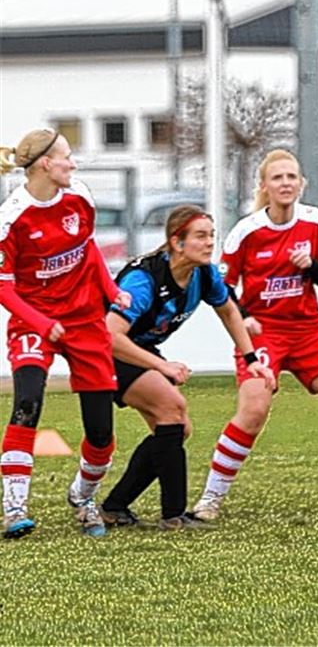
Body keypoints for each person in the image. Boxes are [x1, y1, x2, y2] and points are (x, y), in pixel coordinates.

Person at [190, 149, 318, 520]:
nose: (285, 183)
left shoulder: (315, 222)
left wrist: (310, 265)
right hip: (263, 333)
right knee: (253, 410)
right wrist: (245, 319)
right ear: (264, 186)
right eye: (277, 178)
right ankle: (211, 498)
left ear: (302, 184)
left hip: (309, 331)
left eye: (291, 177)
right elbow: (222, 288)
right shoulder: (246, 231)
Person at [98, 205, 277, 530]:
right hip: (102, 351)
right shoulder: (144, 280)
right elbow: (110, 336)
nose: (210, 243)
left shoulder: (204, 274)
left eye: (211, 235)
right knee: (172, 408)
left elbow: (229, 311)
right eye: (200, 236)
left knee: (178, 427)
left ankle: (114, 506)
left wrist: (252, 360)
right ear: (176, 243)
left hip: (134, 349)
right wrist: (163, 367)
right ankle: (174, 516)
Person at [0, 128, 132, 539]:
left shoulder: (80, 197)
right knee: (27, 402)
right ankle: (14, 506)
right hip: (34, 322)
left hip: (85, 320)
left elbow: (88, 249)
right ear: (45, 165)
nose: (73, 164)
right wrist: (41, 324)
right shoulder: (12, 217)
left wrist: (111, 291)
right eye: (66, 157)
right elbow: (3, 285)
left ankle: (82, 497)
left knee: (100, 432)